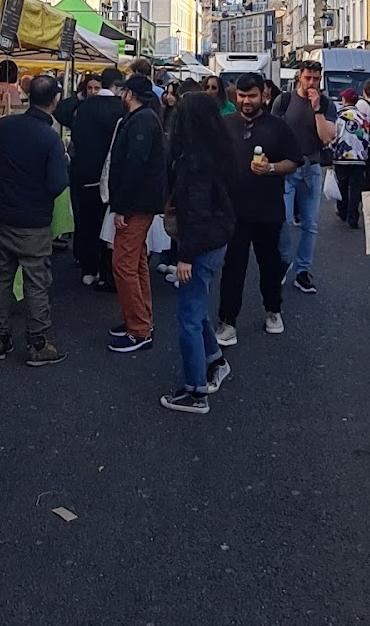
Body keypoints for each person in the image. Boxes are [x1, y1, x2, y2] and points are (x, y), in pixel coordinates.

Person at [0, 74, 70, 366]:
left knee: (0, 278)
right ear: (54, 101)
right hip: (33, 221)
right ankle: (37, 343)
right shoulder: (50, 138)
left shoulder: (6, 126)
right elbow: (57, 184)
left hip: (2, 215)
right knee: (36, 282)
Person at [159, 93, 237, 415]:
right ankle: (214, 359)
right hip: (217, 240)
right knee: (198, 306)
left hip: (200, 245)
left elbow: (196, 214)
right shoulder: (218, 151)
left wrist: (184, 257)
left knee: (188, 318)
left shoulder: (194, 161)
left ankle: (195, 392)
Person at [217, 73, 301, 343]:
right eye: (241, 96)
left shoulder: (278, 127)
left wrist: (272, 168)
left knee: (270, 265)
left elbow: (294, 161)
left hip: (267, 209)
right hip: (234, 210)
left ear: (263, 94)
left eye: (251, 96)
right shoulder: (226, 124)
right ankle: (228, 321)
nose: (246, 101)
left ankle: (273, 310)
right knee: (233, 267)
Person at [107, 73, 167, 353]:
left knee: (123, 264)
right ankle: (141, 319)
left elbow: (134, 165)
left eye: (123, 91)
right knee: (137, 260)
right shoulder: (146, 118)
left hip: (136, 203)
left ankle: (139, 330)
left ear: (129, 94)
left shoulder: (141, 120)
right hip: (142, 201)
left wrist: (122, 207)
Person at [271, 60, 337, 293]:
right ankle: (283, 261)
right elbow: (273, 132)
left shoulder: (326, 104)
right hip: (287, 167)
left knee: (310, 224)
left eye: (316, 79)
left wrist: (317, 109)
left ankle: (302, 271)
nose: (312, 83)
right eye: (308, 78)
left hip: (312, 168)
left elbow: (327, 137)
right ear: (299, 77)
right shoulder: (284, 100)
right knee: (284, 220)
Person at [59, 67, 125, 287]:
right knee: (108, 225)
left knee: (85, 221)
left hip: (82, 173)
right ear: (118, 86)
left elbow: (61, 113)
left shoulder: (84, 106)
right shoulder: (122, 109)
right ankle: (106, 271)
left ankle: (88, 267)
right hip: (110, 176)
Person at [333, 88, 370, 229]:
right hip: (360, 157)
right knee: (355, 187)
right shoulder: (364, 117)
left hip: (342, 156)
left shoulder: (340, 116)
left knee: (342, 185)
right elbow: (368, 137)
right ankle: (353, 216)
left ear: (344, 100)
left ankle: (343, 210)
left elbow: (335, 135)